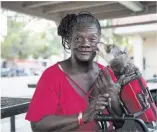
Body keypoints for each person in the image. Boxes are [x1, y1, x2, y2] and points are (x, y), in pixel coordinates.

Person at [25, 12, 123, 132]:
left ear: (98, 41)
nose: (85, 44)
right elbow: (37, 126)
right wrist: (83, 116)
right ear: (68, 41)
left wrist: (114, 99)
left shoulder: (108, 74)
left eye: (92, 39)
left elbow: (121, 124)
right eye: (78, 38)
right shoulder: (51, 76)